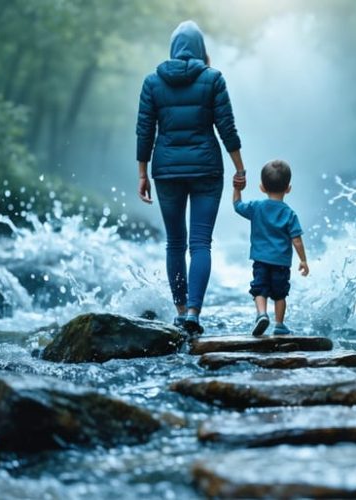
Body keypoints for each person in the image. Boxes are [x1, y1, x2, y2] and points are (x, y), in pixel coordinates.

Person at [137, 20, 247, 334]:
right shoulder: (213, 79)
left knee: (175, 243)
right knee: (201, 244)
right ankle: (194, 314)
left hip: (167, 171)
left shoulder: (152, 82)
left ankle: (180, 310)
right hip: (207, 170)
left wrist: (142, 173)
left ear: (173, 48)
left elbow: (145, 131)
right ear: (200, 49)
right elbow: (227, 127)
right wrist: (240, 167)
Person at [233, 160, 309, 336]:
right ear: (288, 188)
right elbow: (296, 239)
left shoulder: (256, 207)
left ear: (262, 187)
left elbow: (237, 206)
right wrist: (303, 260)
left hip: (260, 260)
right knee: (280, 294)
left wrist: (237, 189)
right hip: (281, 262)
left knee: (259, 288)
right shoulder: (289, 213)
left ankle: (261, 314)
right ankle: (279, 324)